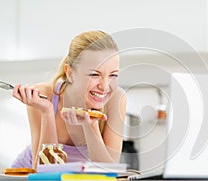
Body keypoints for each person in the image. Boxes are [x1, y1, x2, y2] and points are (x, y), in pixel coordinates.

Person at [11, 30, 127, 169]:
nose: (104, 86)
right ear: (70, 73)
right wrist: (47, 113)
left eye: (113, 75)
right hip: (30, 179)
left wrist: (90, 126)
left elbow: (110, 170)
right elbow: (43, 171)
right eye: (95, 74)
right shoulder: (43, 95)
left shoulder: (116, 99)